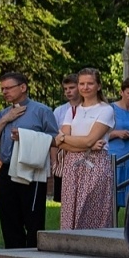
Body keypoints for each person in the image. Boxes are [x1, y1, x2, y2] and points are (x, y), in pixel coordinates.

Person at [0, 70, 58, 249]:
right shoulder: (2, 114)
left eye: (9, 88)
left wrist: (27, 137)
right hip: (7, 168)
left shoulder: (42, 111)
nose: (4, 92)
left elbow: (54, 138)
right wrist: (5, 120)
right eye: (2, 89)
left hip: (31, 169)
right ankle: (12, 253)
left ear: (23, 87)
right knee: (9, 217)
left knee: (33, 217)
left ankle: (33, 255)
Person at [54, 68, 116, 230]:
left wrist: (63, 138)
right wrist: (81, 144)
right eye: (82, 83)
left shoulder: (105, 110)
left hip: (95, 164)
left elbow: (89, 140)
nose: (85, 87)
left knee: (92, 210)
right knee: (70, 210)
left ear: (98, 86)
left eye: (90, 83)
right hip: (72, 165)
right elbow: (61, 145)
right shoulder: (72, 110)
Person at [51, 73, 78, 203]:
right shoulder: (59, 111)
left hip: (83, 156)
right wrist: (54, 162)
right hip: (63, 158)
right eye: (66, 89)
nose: (68, 91)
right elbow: (54, 137)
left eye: (71, 87)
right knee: (65, 201)